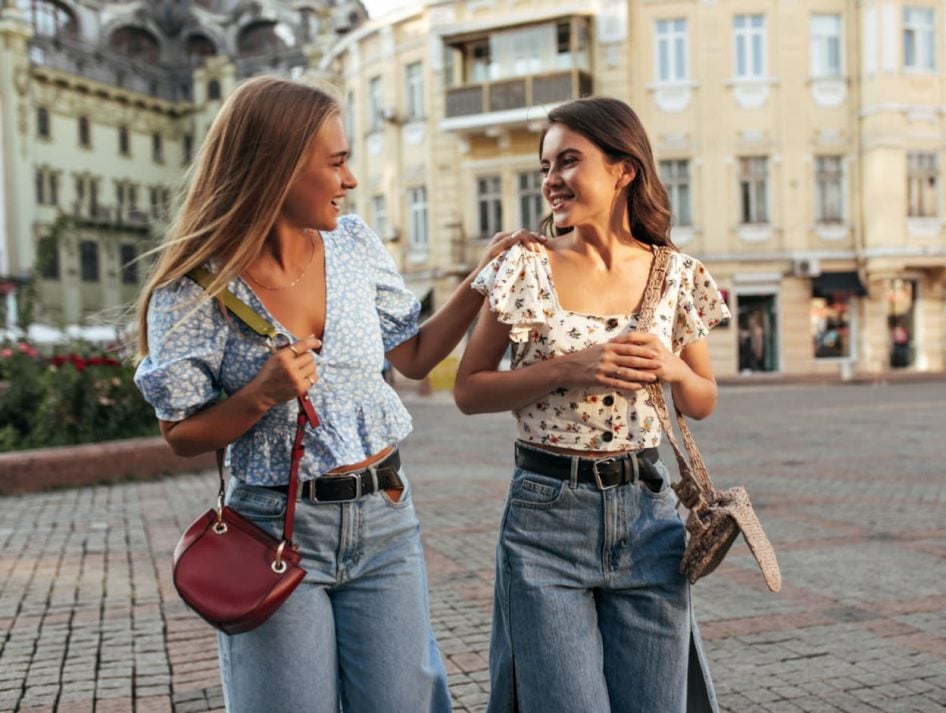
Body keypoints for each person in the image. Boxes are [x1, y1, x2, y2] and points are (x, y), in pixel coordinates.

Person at [133, 76, 539, 713]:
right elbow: (181, 434)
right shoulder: (193, 290)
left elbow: (414, 354)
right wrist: (262, 394)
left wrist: (480, 282)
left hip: (384, 519)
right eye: (338, 162)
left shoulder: (353, 244)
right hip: (274, 531)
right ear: (276, 169)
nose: (350, 181)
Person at [454, 97, 729, 712]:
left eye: (569, 161)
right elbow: (469, 389)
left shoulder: (678, 273)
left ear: (623, 169)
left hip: (649, 514)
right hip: (546, 515)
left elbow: (704, 399)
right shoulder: (527, 265)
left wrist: (673, 367)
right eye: (546, 165)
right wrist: (569, 367)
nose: (551, 180)